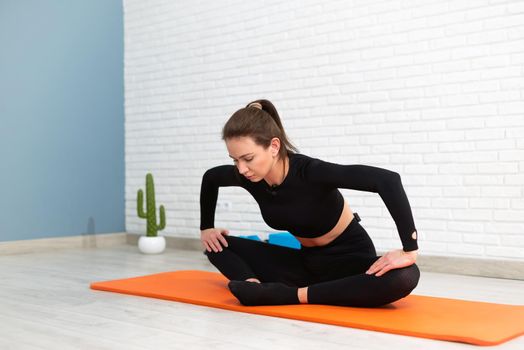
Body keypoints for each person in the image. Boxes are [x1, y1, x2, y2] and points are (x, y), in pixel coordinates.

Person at [199, 99, 420, 307]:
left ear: (274, 147)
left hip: (349, 262)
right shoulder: (249, 176)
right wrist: (206, 227)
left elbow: (387, 180)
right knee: (215, 245)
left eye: (248, 159)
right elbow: (211, 178)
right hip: (306, 264)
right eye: (235, 160)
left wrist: (409, 249)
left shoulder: (310, 172)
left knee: (405, 276)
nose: (241, 169)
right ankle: (254, 288)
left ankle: (288, 295)